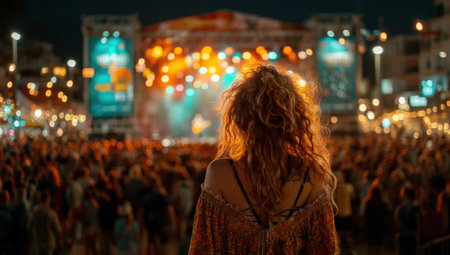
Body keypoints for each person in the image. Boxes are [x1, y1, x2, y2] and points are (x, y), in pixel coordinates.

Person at [189, 65, 339, 254]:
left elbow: (203, 249)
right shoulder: (311, 174)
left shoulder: (219, 173)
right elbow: (326, 248)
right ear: (294, 120)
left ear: (239, 119)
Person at [30, 191, 62, 255]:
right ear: (48, 200)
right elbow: (58, 229)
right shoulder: (51, 213)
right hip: (48, 243)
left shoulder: (34, 212)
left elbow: (30, 228)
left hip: (37, 243)